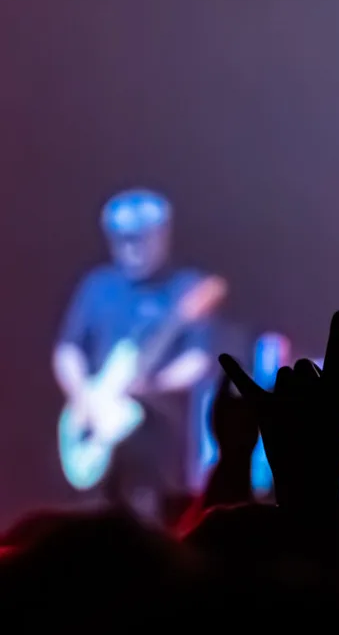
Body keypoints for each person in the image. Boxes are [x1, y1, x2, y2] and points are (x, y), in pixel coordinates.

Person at [52, 190, 226, 515]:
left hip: (157, 434)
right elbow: (68, 350)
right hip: (98, 424)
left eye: (141, 239)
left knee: (148, 514)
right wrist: (84, 399)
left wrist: (152, 385)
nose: (131, 248)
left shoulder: (186, 288)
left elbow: (199, 360)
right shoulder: (98, 286)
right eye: (123, 239)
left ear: (163, 236)